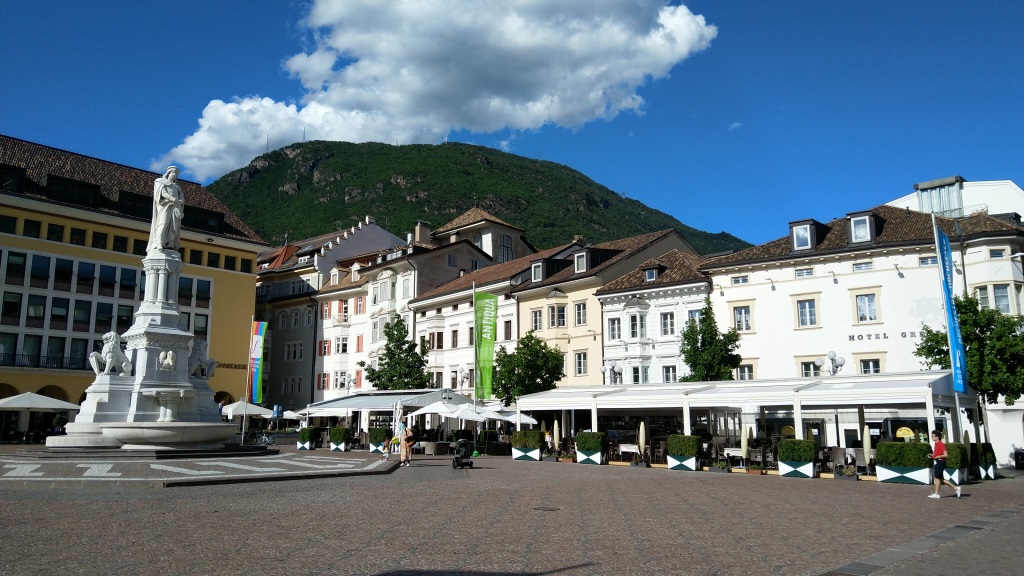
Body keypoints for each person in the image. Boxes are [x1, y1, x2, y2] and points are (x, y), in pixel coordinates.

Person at [147, 166, 185, 251]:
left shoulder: (177, 187)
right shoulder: (161, 181)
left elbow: (182, 198)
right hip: (165, 205)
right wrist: (172, 198)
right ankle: (159, 243)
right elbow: (163, 193)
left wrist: (179, 201)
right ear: (168, 173)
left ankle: (169, 244)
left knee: (174, 226)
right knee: (163, 222)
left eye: (176, 174)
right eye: (173, 172)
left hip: (175, 207)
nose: (174, 175)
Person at [928, 430, 961, 499]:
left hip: (941, 462)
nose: (932, 437)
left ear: (937, 437)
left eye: (933, 436)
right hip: (939, 462)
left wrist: (937, 456)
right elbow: (937, 454)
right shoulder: (936, 444)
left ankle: (937, 494)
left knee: (937, 478)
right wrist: (932, 455)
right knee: (940, 479)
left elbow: (946, 454)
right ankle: (955, 488)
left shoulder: (940, 444)